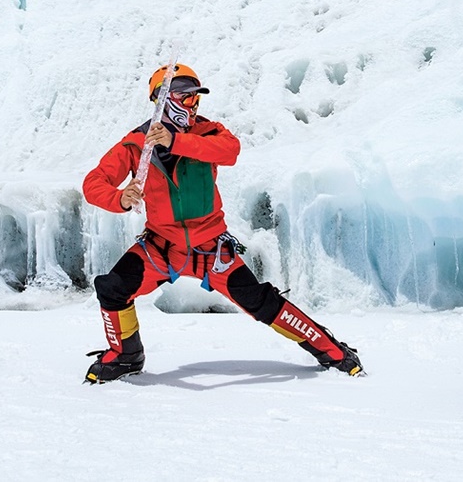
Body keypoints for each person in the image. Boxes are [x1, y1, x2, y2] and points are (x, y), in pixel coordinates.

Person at [82, 63, 363, 383]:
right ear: (162, 99)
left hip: (210, 250)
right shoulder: (136, 144)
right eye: (185, 98)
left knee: (260, 301)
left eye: (196, 98)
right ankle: (125, 357)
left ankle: (329, 347)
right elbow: (94, 182)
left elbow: (229, 151)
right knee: (113, 288)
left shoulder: (208, 131)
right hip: (160, 247)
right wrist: (119, 198)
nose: (193, 105)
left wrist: (175, 143)